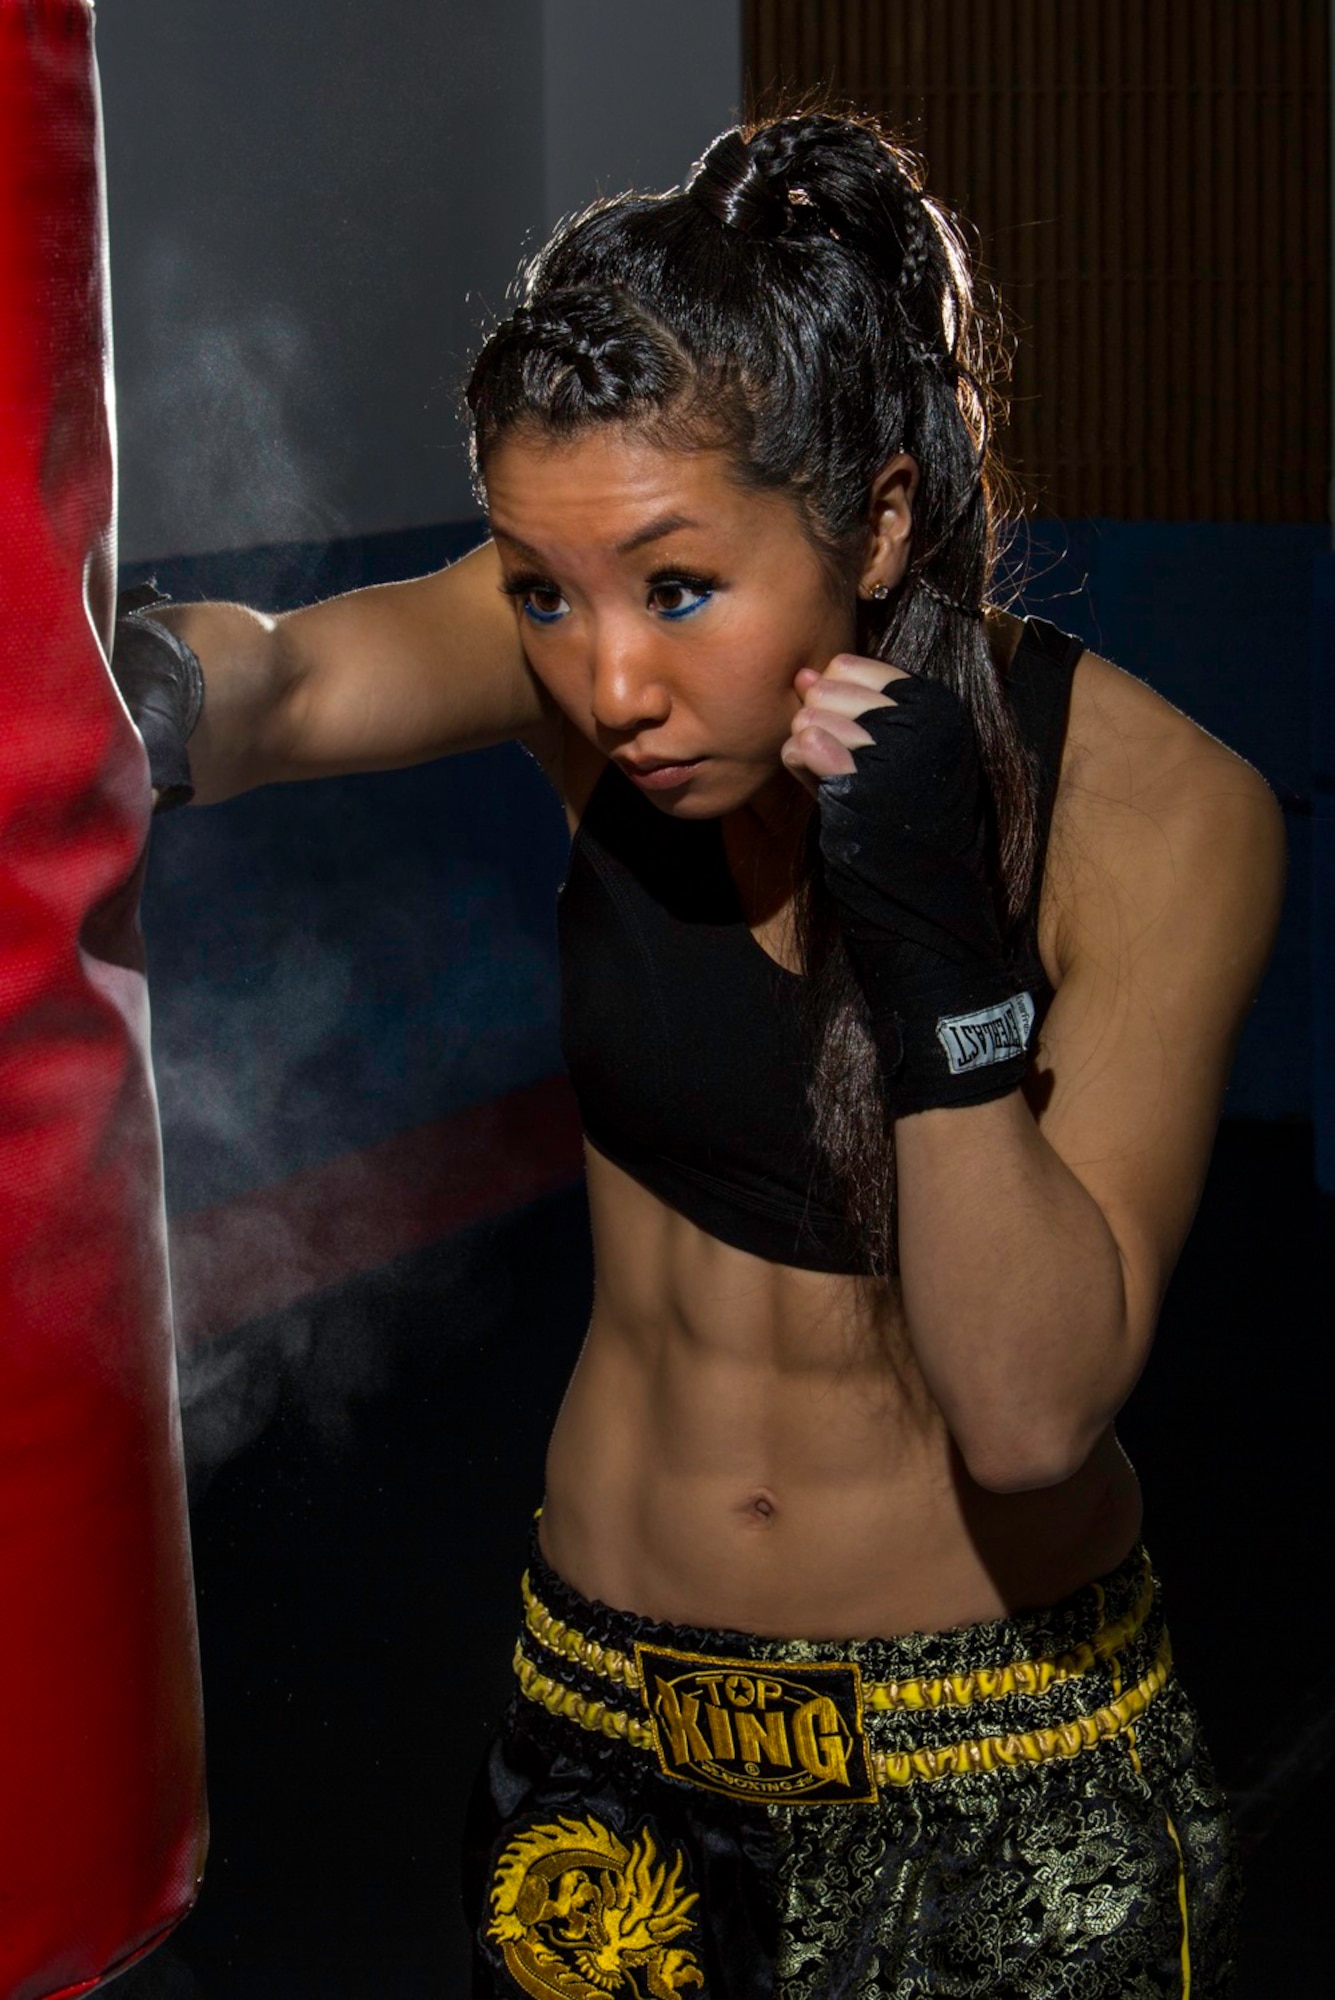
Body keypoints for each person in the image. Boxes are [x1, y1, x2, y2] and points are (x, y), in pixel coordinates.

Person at [115, 112, 1282, 1998]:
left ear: (878, 519)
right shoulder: (594, 686)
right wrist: (92, 693)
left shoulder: (1161, 816)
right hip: (613, 1727)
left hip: (978, 1765)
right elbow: (287, 676)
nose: (609, 682)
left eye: (676, 588)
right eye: (540, 592)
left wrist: (930, 948)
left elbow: (1031, 1413)